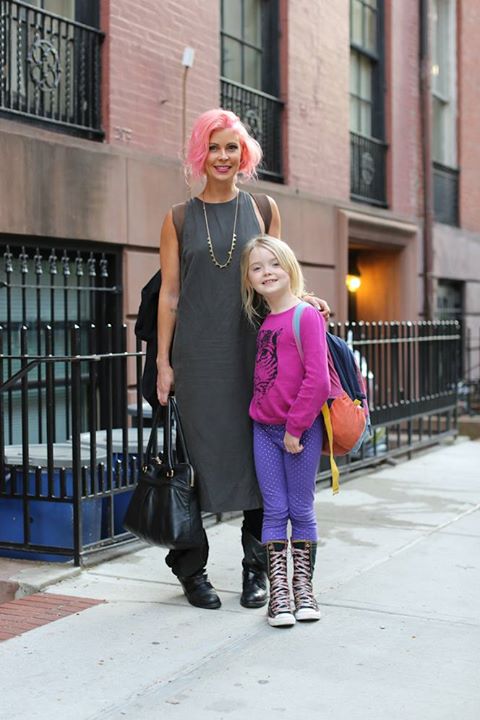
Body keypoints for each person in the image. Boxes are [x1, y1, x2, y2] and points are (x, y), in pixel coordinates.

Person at [156, 108, 330, 611]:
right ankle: (192, 571)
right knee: (192, 468)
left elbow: (279, 273)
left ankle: (258, 571)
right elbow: (170, 294)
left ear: (244, 153)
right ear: (199, 154)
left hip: (260, 359)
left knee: (260, 464)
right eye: (212, 147)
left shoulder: (263, 208)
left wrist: (306, 301)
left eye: (231, 147)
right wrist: (164, 362)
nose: (222, 156)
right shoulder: (178, 217)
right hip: (198, 361)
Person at [240, 235, 330, 627]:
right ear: (248, 279)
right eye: (257, 267)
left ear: (289, 266)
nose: (267, 272)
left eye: (274, 263)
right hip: (264, 430)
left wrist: (295, 428)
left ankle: (303, 590)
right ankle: (279, 594)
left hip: (300, 433)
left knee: (301, 508)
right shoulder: (265, 322)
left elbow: (318, 380)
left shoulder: (305, 315)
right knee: (274, 510)